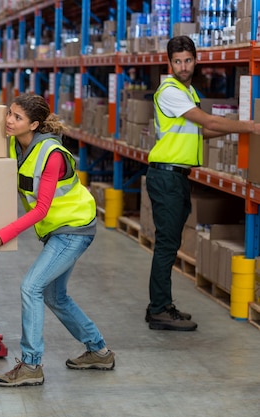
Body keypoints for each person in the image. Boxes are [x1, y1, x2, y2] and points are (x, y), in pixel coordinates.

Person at [0, 93, 114, 388]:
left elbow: (41, 209)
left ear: (34, 124)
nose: (9, 121)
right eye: (9, 114)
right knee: (54, 296)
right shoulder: (16, 145)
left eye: (17, 117)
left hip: (73, 229)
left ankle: (31, 364)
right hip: (57, 230)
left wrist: (2, 235)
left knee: (31, 287)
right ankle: (99, 351)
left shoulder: (51, 154)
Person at [146, 35, 260, 331]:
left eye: (188, 60)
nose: (183, 66)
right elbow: (207, 122)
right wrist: (249, 126)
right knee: (167, 244)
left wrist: (235, 130)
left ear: (196, 61)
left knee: (170, 243)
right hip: (166, 176)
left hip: (177, 176)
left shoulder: (188, 91)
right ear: (169, 63)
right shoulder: (170, 91)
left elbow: (201, 132)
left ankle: (161, 305)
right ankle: (158, 309)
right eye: (177, 61)